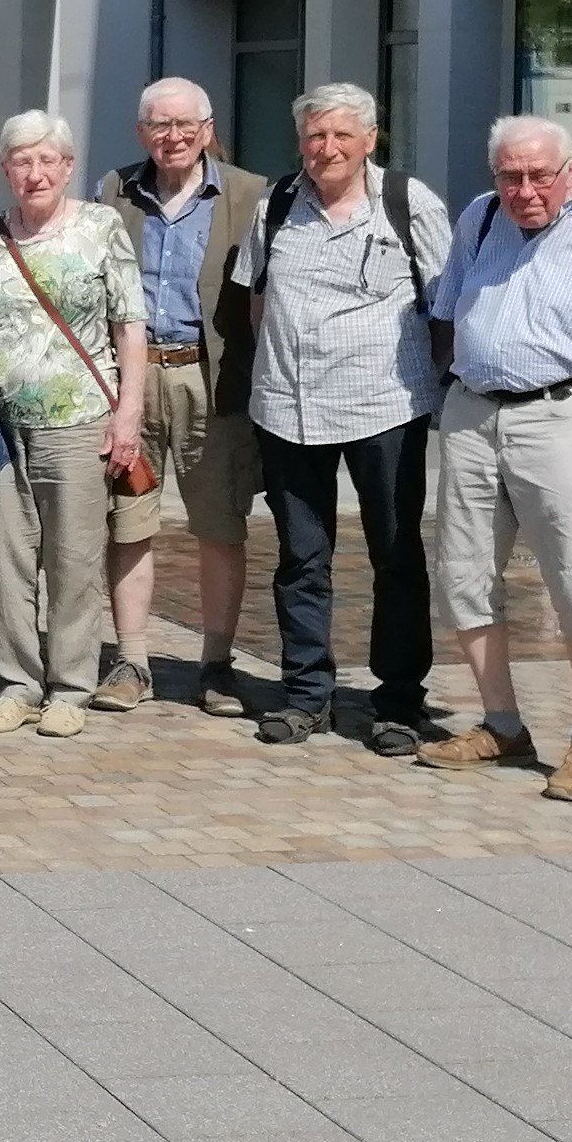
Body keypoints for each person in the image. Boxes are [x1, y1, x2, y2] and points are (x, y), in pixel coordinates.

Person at [416, 116, 572, 802]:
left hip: (566, 413)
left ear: (571, 170)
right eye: (510, 176)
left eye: (539, 176)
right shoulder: (478, 217)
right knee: (464, 572)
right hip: (473, 412)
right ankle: (502, 724)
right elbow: (449, 308)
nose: (525, 190)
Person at [229, 82, 451, 754]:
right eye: (315, 136)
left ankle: (398, 704)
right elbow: (254, 299)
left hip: (386, 407)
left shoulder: (410, 205)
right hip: (288, 409)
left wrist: (429, 385)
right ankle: (306, 695)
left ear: (370, 140)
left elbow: (445, 308)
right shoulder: (276, 203)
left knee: (396, 554)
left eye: (340, 136)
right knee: (301, 558)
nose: (326, 148)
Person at [0, 111, 148, 739]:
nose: (34, 173)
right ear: (6, 169)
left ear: (68, 167)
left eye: (48, 161)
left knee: (74, 560)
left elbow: (130, 326)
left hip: (79, 422)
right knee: (8, 561)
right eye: (21, 160)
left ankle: (71, 687)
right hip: (1, 424)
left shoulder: (101, 227)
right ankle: (17, 682)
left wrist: (128, 417)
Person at [96, 77, 270, 713]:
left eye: (183, 126)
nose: (171, 138)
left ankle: (217, 663)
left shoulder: (249, 194)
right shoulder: (115, 191)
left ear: (206, 128)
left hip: (213, 379)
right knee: (129, 522)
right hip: (131, 380)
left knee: (219, 526)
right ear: (141, 132)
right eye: (158, 127)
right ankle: (132, 661)